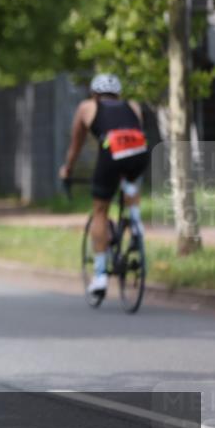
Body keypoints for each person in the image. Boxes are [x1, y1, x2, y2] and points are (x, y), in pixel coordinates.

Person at [59, 74, 149, 296]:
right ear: (118, 94)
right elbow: (134, 131)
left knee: (100, 210)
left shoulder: (87, 106)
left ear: (93, 94)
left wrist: (68, 169)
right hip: (139, 151)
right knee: (130, 179)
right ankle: (136, 221)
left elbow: (76, 144)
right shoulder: (133, 105)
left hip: (111, 153)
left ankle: (100, 276)